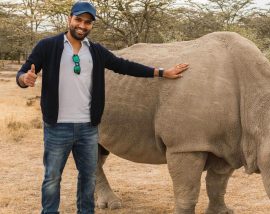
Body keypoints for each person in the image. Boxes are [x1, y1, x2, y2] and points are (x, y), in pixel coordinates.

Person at [16, 1, 189, 214]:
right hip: (57, 125)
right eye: (79, 20)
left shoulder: (96, 51)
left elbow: (125, 66)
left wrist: (162, 72)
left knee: (88, 178)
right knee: (52, 177)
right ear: (69, 19)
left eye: (88, 22)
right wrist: (25, 78)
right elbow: (23, 73)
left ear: (91, 25)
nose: (82, 25)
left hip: (88, 127)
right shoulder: (47, 46)